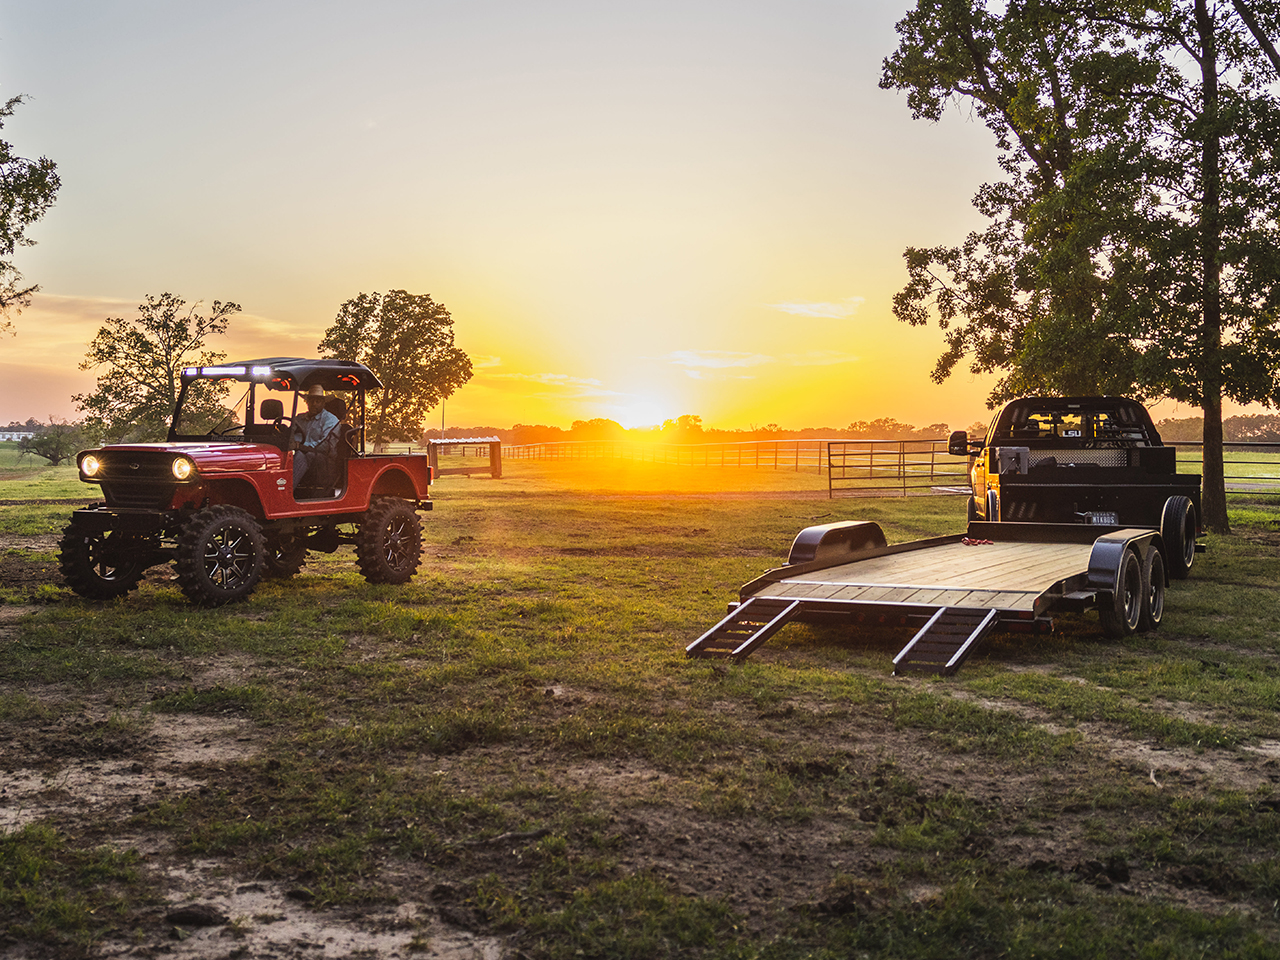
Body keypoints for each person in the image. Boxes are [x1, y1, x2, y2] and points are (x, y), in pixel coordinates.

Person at [291, 385, 340, 490]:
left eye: (318, 401)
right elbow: (290, 434)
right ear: (307, 402)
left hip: (325, 461)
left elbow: (325, 446)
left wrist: (300, 446)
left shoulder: (330, 420)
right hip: (303, 455)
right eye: (311, 401)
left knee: (303, 455)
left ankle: (287, 491)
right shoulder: (299, 419)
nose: (314, 404)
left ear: (323, 403)